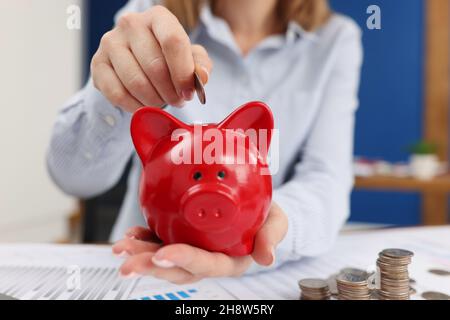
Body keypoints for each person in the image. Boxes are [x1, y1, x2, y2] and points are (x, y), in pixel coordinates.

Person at [47, 0, 362, 284]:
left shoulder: (335, 39)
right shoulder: (147, 14)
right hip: (146, 272)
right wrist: (116, 94)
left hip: (261, 280)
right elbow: (74, 177)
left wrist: (270, 229)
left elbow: (326, 178)